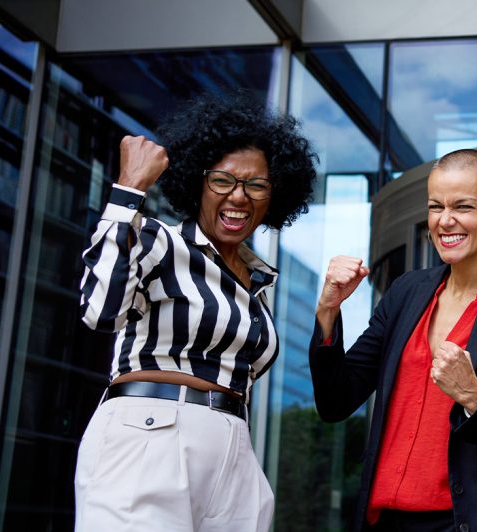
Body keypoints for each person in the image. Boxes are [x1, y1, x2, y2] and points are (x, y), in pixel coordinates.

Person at [76, 92, 317, 531]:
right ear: (197, 182)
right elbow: (100, 311)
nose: (238, 197)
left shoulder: (257, 279)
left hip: (233, 445)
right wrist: (129, 190)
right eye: (222, 180)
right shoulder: (159, 241)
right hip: (152, 433)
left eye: (256, 184)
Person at [309, 149, 477, 532]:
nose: (445, 221)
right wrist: (328, 311)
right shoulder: (407, 292)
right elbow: (335, 401)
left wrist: (473, 399)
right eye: (436, 206)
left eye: (463, 206)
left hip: (461, 523)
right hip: (382, 520)